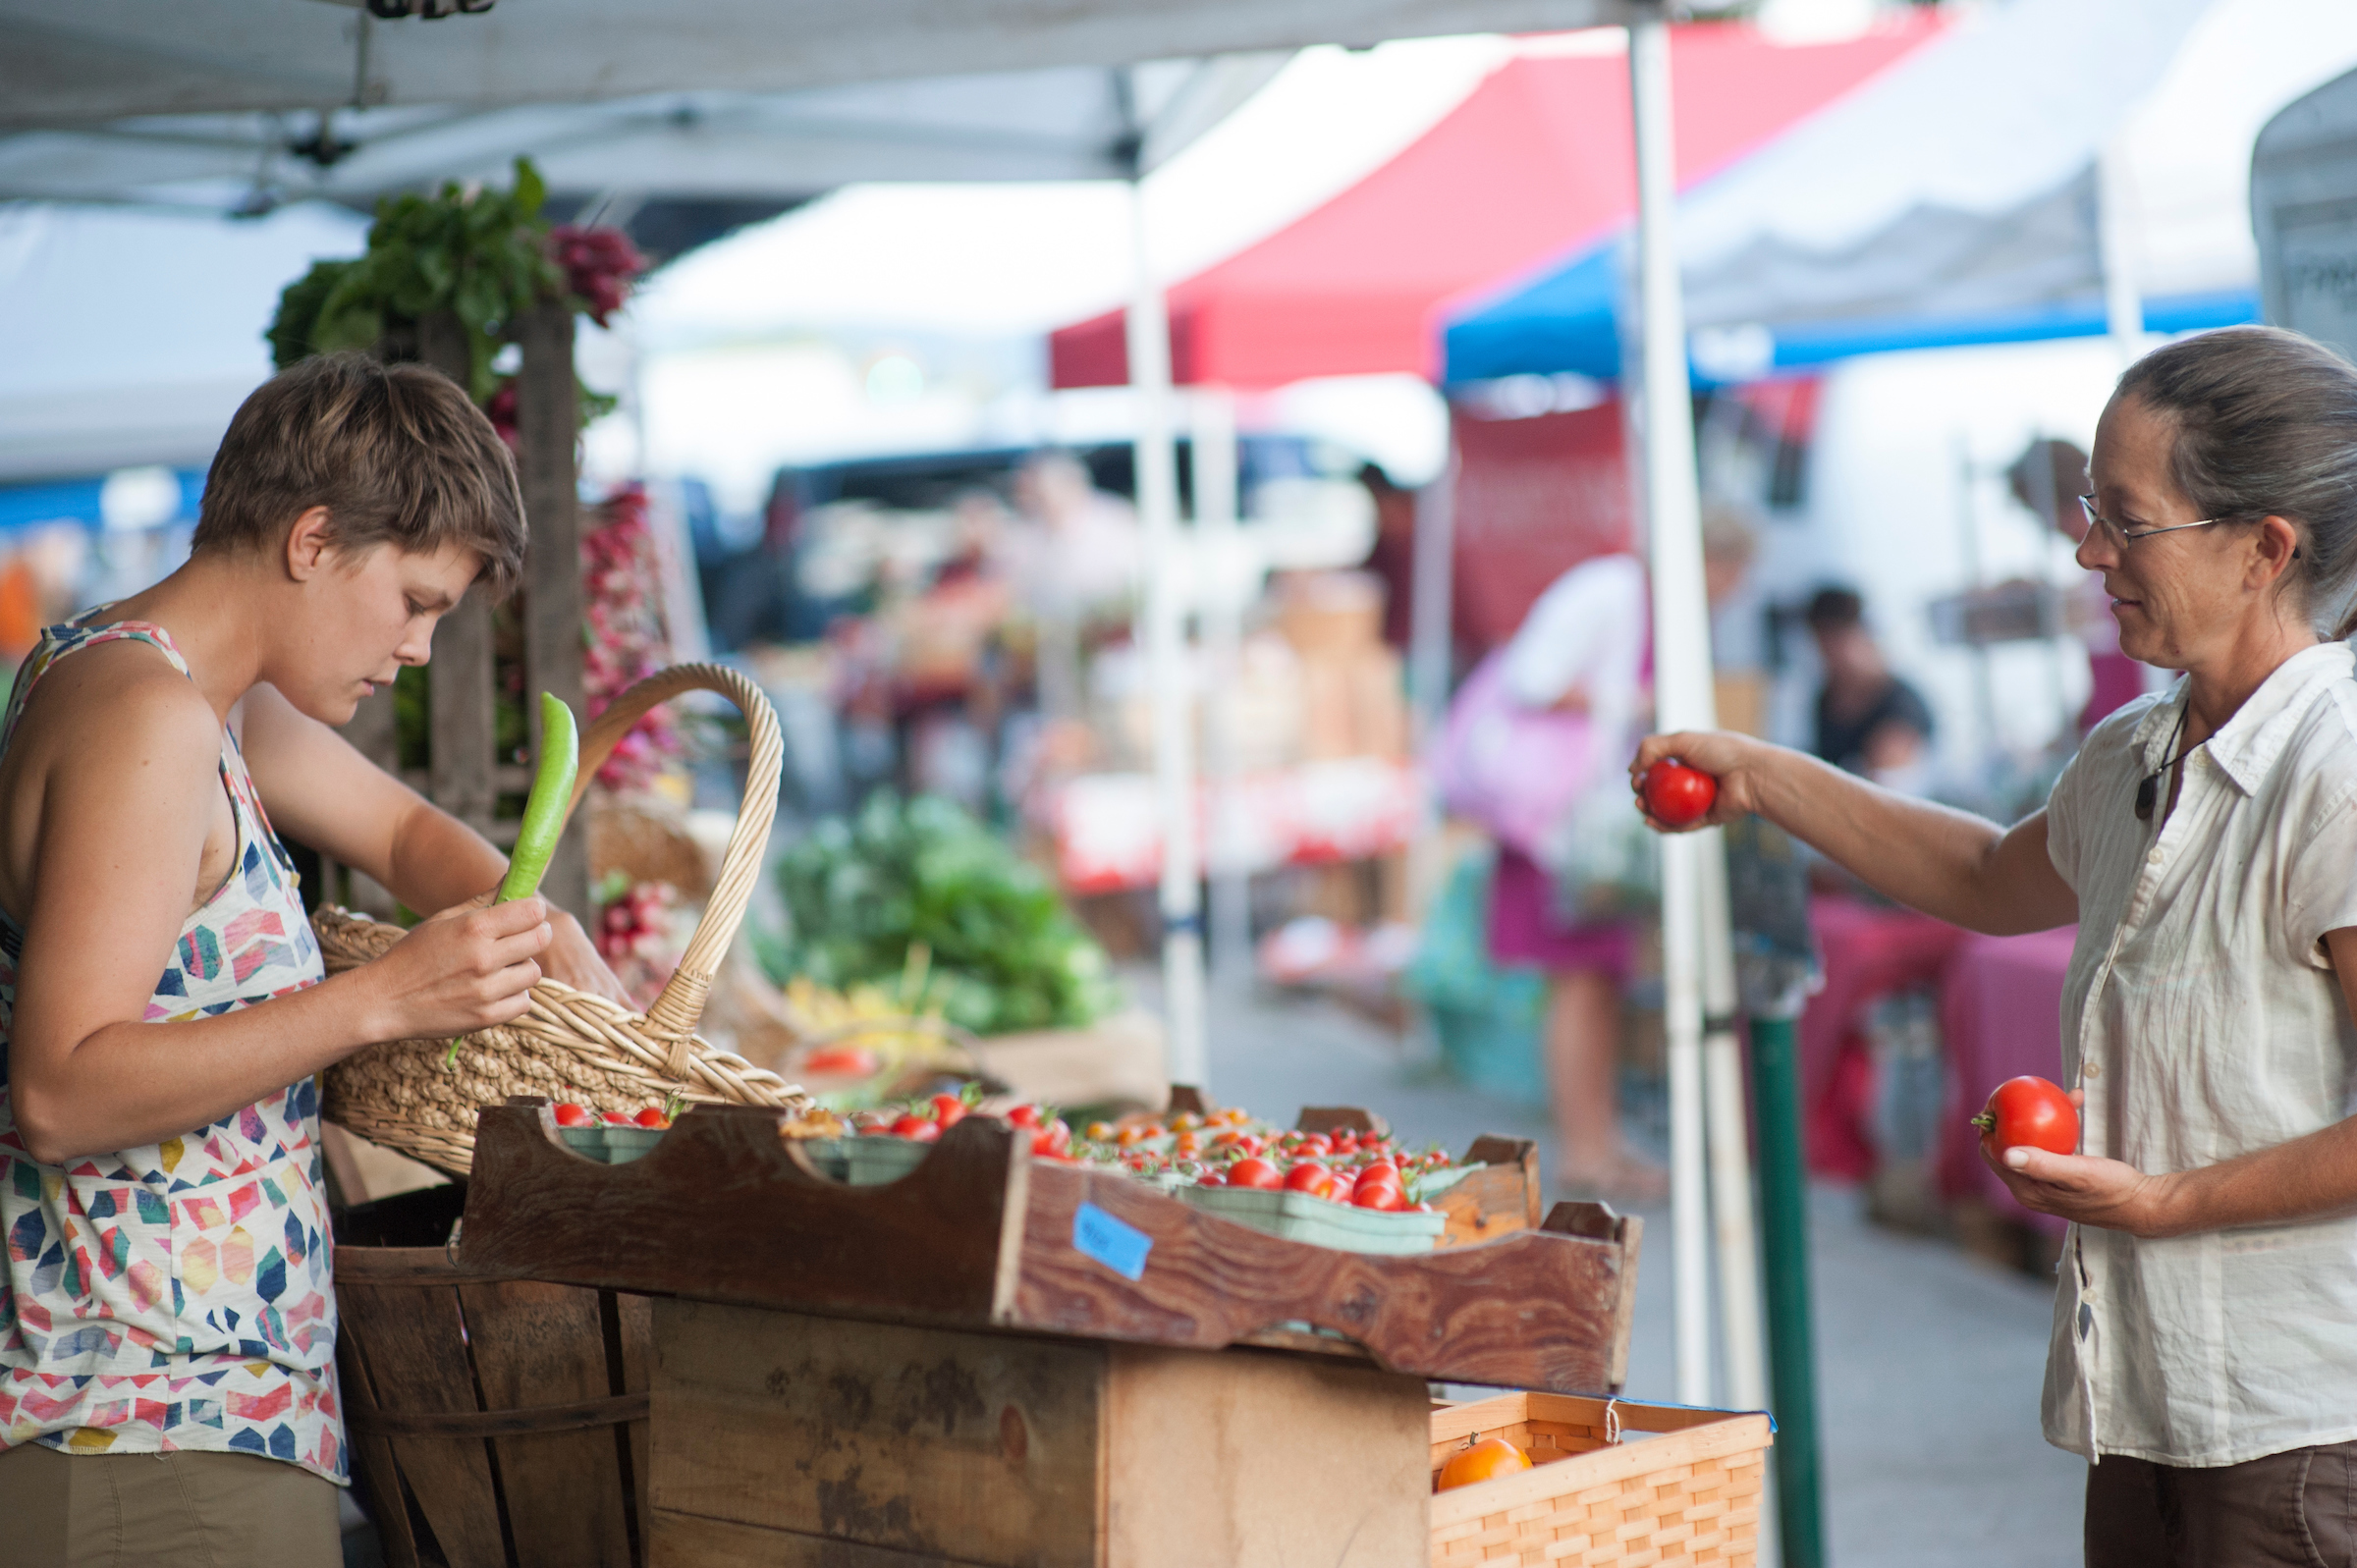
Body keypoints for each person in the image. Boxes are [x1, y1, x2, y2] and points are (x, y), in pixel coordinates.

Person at [1633, 325, 2357, 1564]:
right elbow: (1980, 873)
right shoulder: (2139, 749)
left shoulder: (2333, 769)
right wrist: (1765, 776)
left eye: (2127, 519)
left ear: (2262, 549)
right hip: (2150, 1407)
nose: (2086, 550)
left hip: (2300, 1427)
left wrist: (2168, 1199)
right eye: (2089, 507)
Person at [0, 353, 623, 1564]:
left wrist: (545, 929)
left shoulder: (192, 693)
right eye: (417, 600)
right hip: (142, 1433)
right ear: (314, 538)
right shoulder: (148, 722)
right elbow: (62, 1091)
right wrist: (381, 999)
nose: (423, 647)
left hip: (185, 1427)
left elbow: (401, 831)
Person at [1446, 509, 1754, 1202]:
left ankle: (1598, 1137)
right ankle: (1585, 1150)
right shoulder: (1607, 592)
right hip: (1553, 821)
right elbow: (1533, 680)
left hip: (1585, 828)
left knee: (1599, 980)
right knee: (1579, 980)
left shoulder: (1639, 601)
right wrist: (1636, 698)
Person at [2010, 435, 2150, 733]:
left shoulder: (2134, 564)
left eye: (2045, 516)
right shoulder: (2095, 579)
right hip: (2121, 734)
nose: (2050, 529)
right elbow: (2110, 682)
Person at [1803, 584, 1934, 781]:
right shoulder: (1826, 697)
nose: (1824, 656)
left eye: (1831, 643)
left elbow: (1885, 785)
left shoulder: (1902, 706)